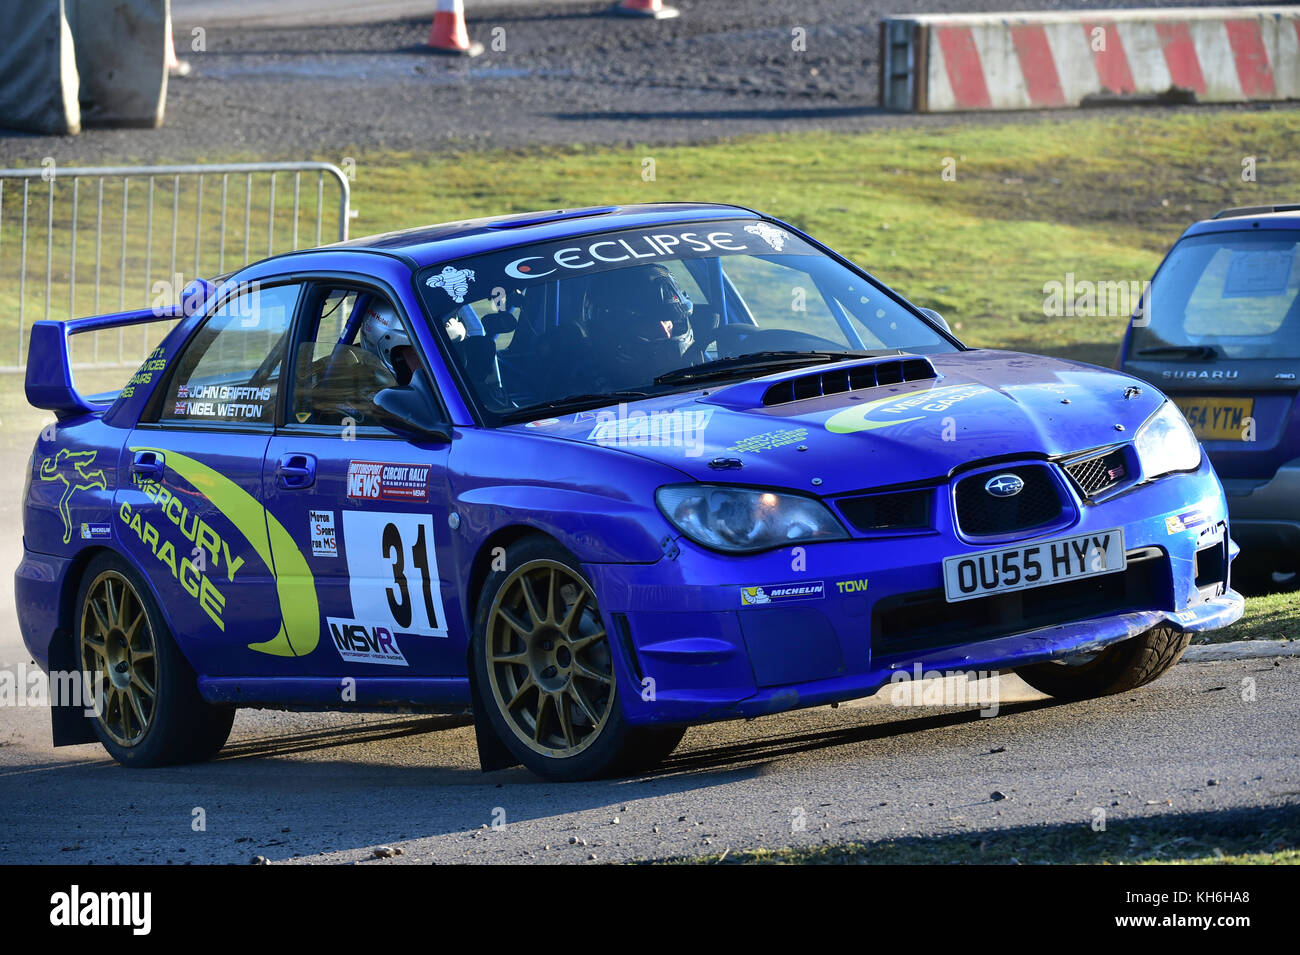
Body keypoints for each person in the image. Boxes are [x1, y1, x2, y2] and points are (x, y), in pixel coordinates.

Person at [582, 263, 697, 389]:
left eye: (667, 321)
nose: (665, 333)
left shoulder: (708, 370)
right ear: (615, 331)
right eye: (650, 326)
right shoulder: (584, 389)